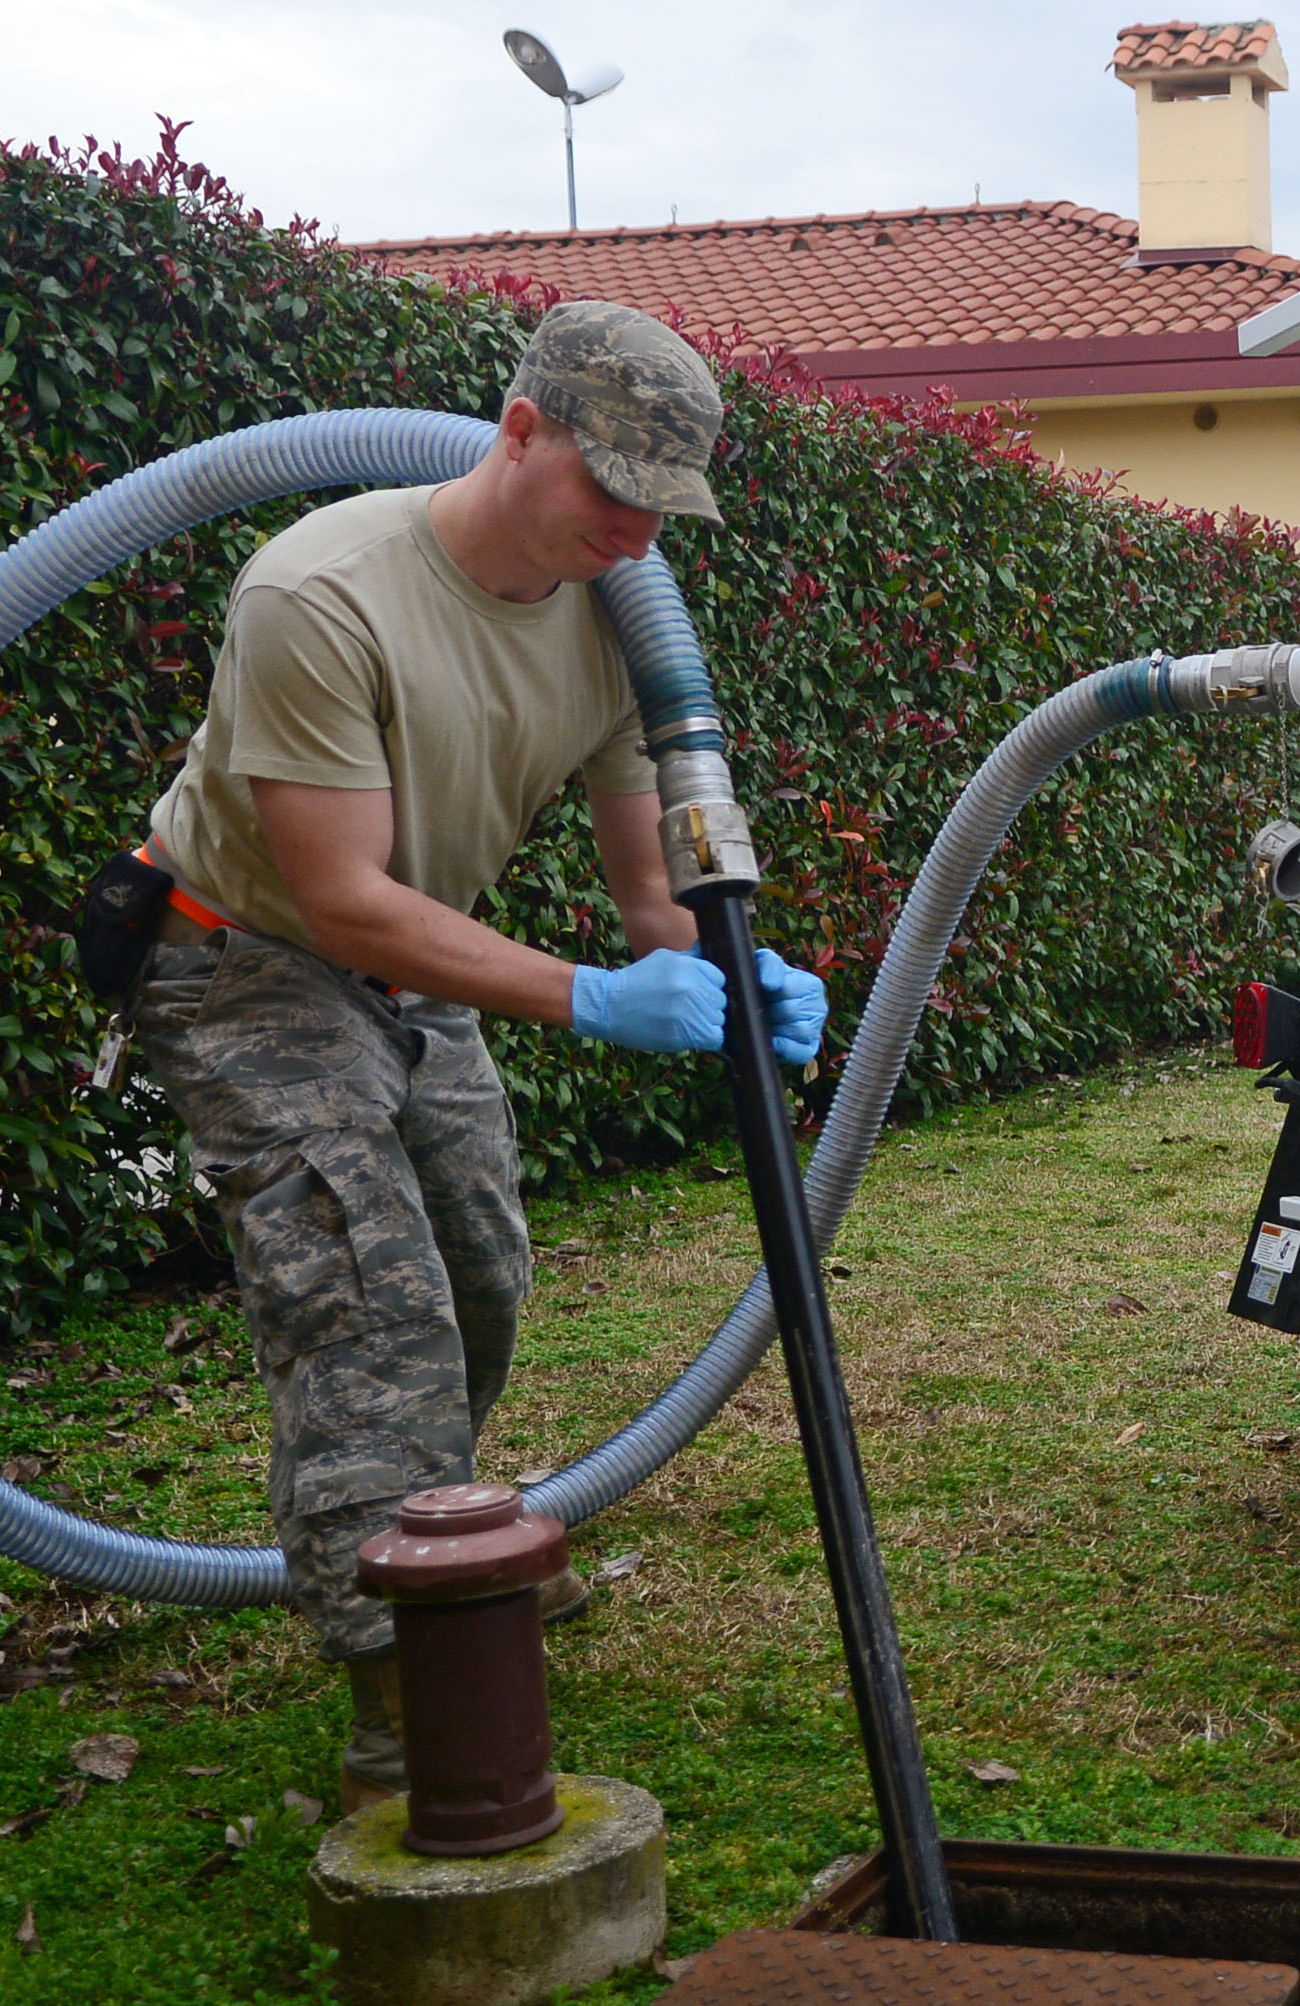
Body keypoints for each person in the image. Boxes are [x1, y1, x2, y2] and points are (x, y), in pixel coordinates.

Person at [118, 302, 827, 1802]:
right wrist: (588, 999)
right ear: (518, 434)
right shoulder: (319, 593)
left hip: (411, 959)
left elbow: (652, 898)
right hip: (239, 954)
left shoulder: (620, 612)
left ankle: (437, 1538)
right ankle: (407, 1687)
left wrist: (739, 968)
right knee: (371, 1306)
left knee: (483, 1274)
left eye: (661, 509)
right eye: (610, 495)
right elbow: (338, 894)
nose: (635, 537)